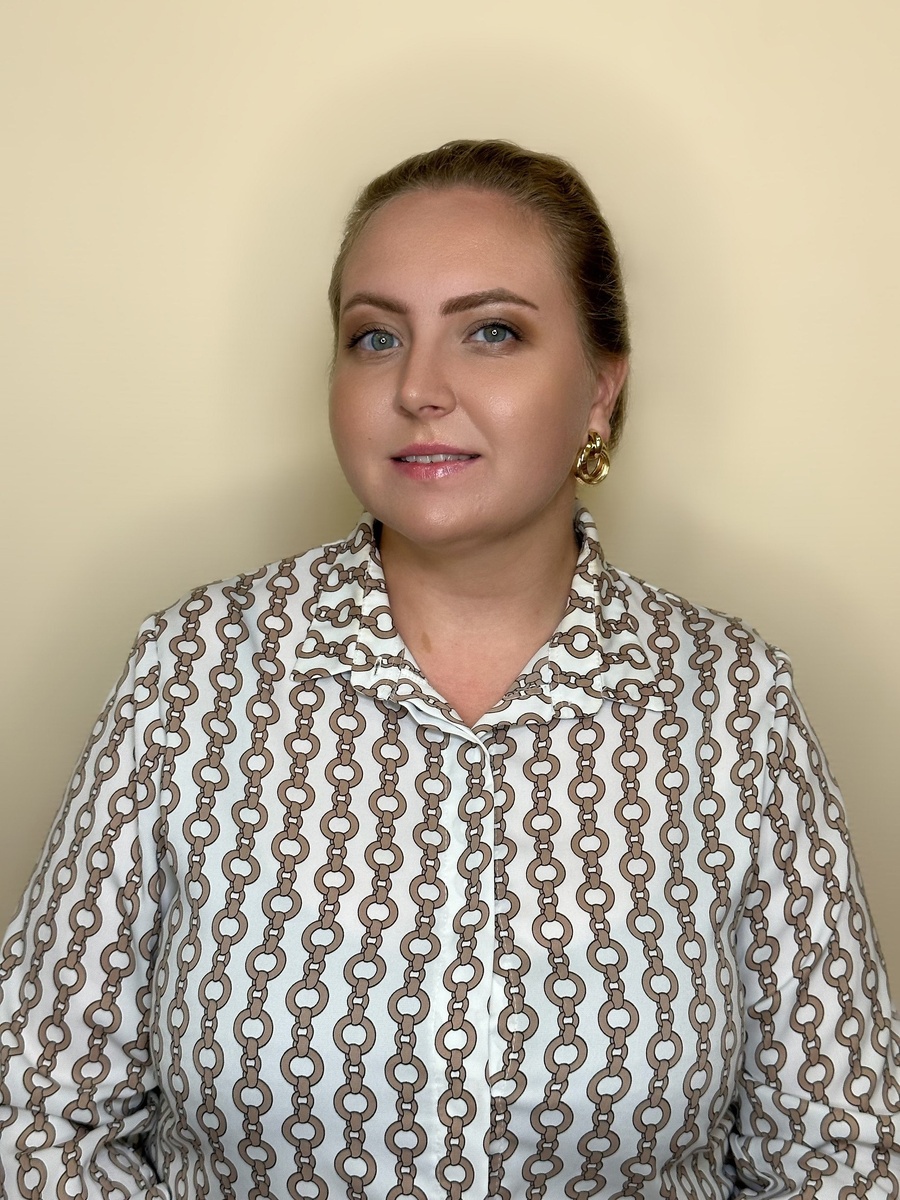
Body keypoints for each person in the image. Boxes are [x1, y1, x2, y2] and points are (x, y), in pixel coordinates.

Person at [0, 139, 897, 1200]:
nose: (419, 388)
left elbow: (841, 1154)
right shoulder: (193, 673)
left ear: (601, 390)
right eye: (375, 337)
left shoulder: (733, 703)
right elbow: (38, 1113)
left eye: (492, 332)